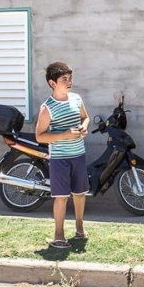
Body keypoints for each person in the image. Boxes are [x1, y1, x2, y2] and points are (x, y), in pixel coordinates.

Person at [35, 62, 90, 249]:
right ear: (52, 83)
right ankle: (59, 235)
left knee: (80, 194)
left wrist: (84, 126)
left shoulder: (76, 98)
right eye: (64, 79)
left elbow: (85, 117)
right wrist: (65, 135)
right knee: (61, 197)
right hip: (59, 158)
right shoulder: (47, 107)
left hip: (79, 154)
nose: (69, 82)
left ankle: (80, 227)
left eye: (70, 78)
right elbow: (39, 135)